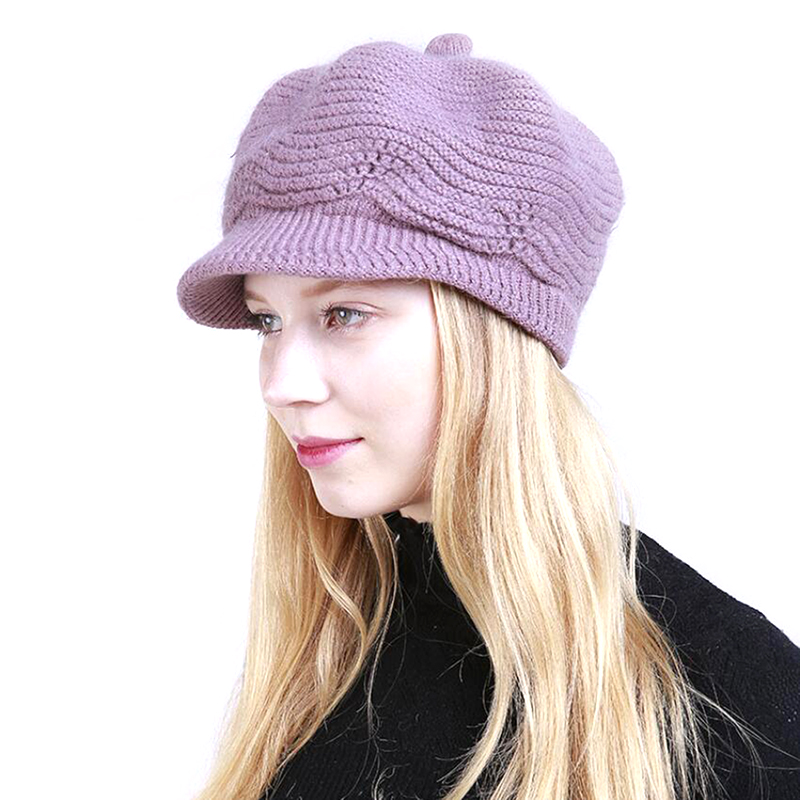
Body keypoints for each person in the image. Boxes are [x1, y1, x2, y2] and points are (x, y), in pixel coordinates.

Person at [176, 33, 800, 800]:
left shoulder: (731, 700)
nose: (281, 384)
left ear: (492, 334)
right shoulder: (324, 658)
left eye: (344, 314)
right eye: (268, 321)